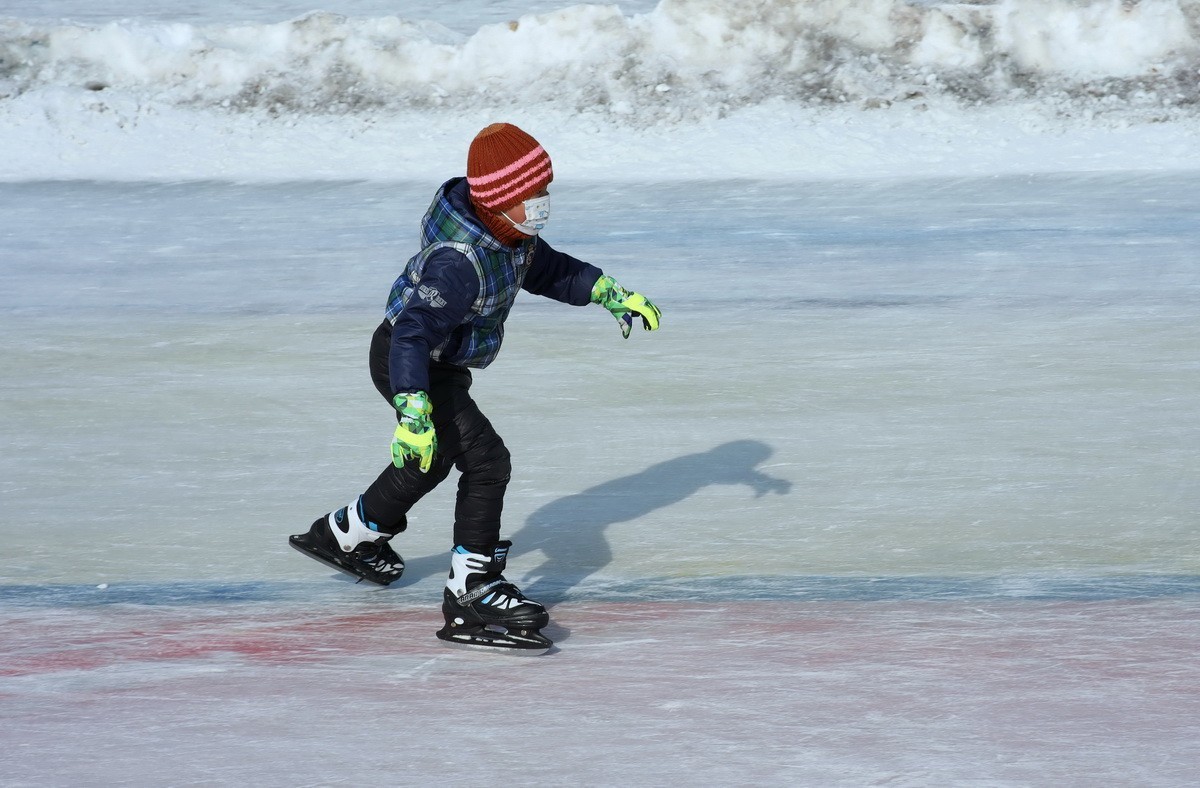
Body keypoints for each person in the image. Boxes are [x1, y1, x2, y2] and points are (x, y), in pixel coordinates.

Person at [289, 122, 661, 653]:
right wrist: (412, 410)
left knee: (433, 460)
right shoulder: (459, 262)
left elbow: (549, 269)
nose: (543, 203)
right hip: (409, 363)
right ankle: (471, 589)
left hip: (430, 365)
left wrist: (607, 291)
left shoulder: (507, 235)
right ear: (502, 200)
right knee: (487, 461)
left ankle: (347, 533)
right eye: (534, 194)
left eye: (546, 191)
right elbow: (412, 334)